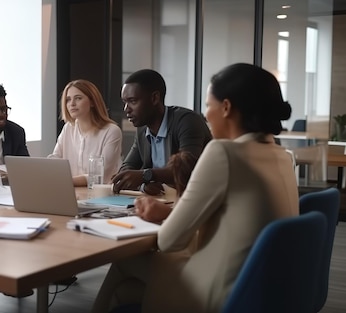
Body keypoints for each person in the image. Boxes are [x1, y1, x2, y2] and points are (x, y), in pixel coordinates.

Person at [91, 63, 299, 313]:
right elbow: (232, 219)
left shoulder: (223, 152)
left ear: (226, 108)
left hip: (223, 287)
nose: (206, 115)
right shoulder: (282, 156)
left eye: (208, 106)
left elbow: (169, 241)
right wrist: (168, 213)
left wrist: (165, 217)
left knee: (124, 263)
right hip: (262, 286)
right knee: (124, 293)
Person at [111, 69, 211, 195]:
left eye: (133, 101)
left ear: (154, 98)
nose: (126, 109)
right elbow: (127, 169)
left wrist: (146, 175)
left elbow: (186, 169)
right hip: (165, 201)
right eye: (125, 102)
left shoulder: (187, 121)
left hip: (197, 199)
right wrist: (143, 184)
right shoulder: (143, 130)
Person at [48, 79, 122, 186]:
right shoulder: (68, 128)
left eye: (78, 98)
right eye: (68, 100)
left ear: (92, 101)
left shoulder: (111, 131)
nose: (72, 104)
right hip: (73, 192)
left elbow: (101, 176)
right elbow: (55, 160)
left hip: (102, 196)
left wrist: (67, 181)